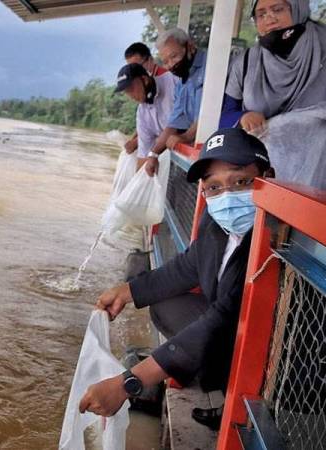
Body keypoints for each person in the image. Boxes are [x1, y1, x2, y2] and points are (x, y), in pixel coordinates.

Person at [78, 128, 274, 430]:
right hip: (227, 330)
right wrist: (128, 291)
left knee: (208, 334)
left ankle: (234, 405)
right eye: (214, 187)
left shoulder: (271, 243)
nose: (228, 196)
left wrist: (129, 382)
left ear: (268, 177)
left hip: (272, 362)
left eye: (243, 182)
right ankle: (208, 379)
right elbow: (186, 267)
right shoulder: (216, 221)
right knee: (164, 303)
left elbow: (220, 321)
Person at [222, 0, 326, 132]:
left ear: (298, 10)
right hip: (260, 151)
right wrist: (243, 117)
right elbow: (224, 115)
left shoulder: (322, 51)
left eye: (278, 10)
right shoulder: (246, 63)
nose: (269, 19)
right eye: (261, 14)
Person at [144, 28, 207, 177]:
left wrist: (185, 137)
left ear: (190, 46)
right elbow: (174, 123)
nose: (171, 65)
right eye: (165, 62)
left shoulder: (210, 66)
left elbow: (210, 113)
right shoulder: (182, 82)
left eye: (174, 56)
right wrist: (153, 154)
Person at [113, 63, 177, 170]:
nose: (130, 96)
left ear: (145, 79)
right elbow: (143, 154)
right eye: (126, 92)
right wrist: (135, 183)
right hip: (171, 158)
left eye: (131, 89)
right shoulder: (142, 113)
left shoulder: (174, 82)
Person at [122, 42, 172, 156]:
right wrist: (135, 138)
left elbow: (171, 124)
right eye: (130, 68)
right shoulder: (143, 91)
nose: (133, 71)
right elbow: (147, 121)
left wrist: (136, 142)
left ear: (150, 60)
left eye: (137, 67)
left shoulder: (168, 80)